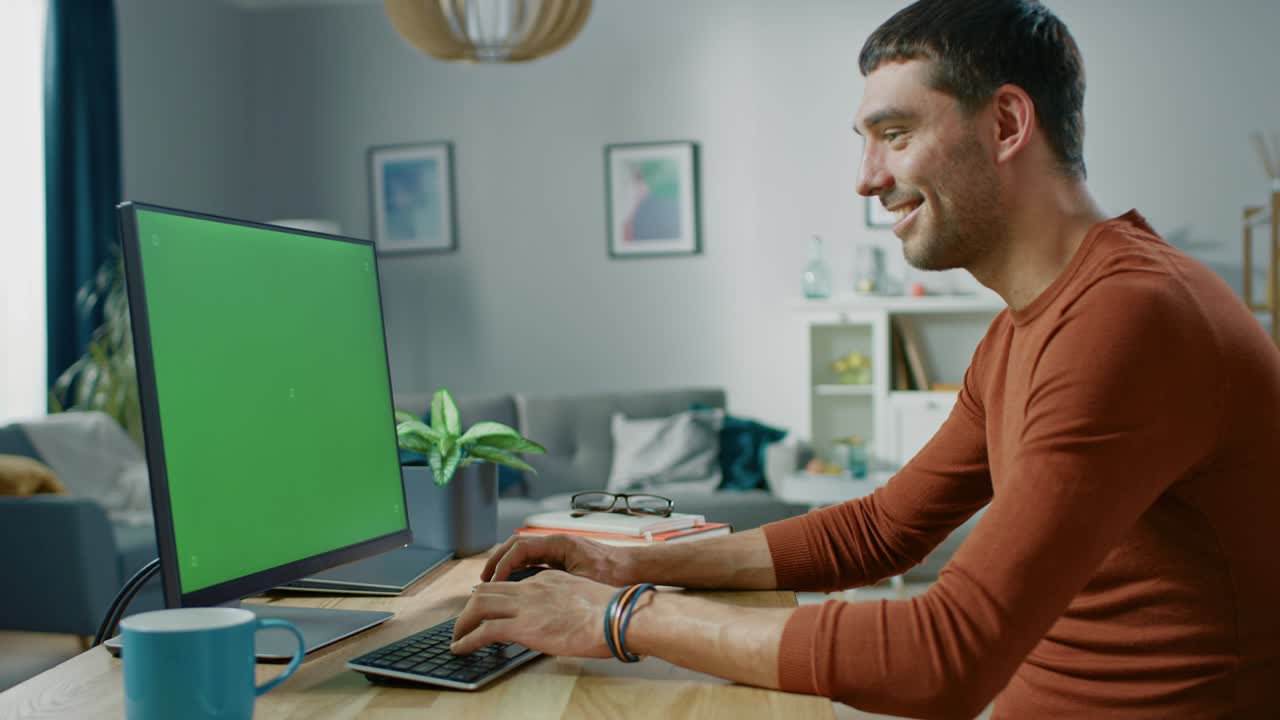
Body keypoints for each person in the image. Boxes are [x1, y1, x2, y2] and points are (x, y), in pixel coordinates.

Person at [449, 1, 1280, 716]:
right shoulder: (1029, 328)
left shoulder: (1130, 318)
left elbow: (946, 656)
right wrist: (625, 562)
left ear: (1005, 125)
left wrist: (617, 616)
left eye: (894, 134)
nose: (865, 179)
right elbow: (882, 529)